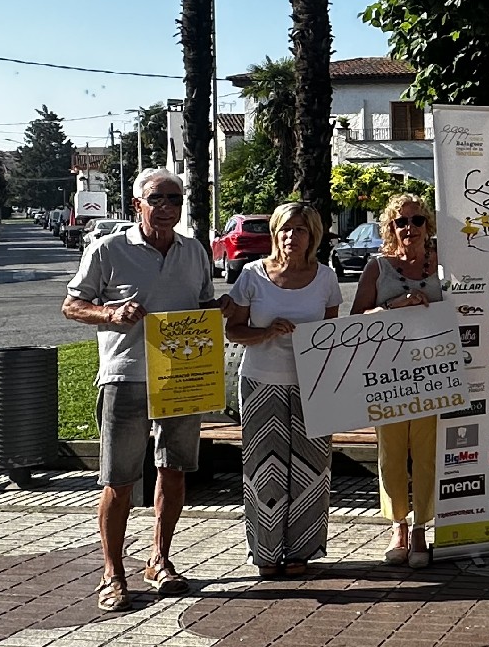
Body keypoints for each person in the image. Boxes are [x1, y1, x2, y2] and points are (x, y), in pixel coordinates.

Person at [62, 168, 216, 613]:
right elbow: (72, 305)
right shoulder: (107, 249)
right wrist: (110, 315)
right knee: (119, 479)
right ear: (138, 205)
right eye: (157, 198)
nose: (166, 206)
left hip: (183, 377)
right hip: (125, 375)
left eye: (175, 198)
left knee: (174, 471)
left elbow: (204, 304)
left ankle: (160, 559)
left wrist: (221, 310)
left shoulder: (194, 252)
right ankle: (112, 573)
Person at [222, 201, 341, 578]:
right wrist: (266, 332)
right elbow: (233, 330)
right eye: (285, 229)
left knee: (311, 468)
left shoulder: (325, 278)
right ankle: (266, 553)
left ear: (313, 236)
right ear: (275, 233)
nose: (292, 236)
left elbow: (331, 336)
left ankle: (301, 551)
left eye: (301, 229)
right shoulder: (252, 275)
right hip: (261, 381)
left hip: (312, 386)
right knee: (264, 469)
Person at [352, 191, 441, 568]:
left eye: (416, 220)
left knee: (426, 454)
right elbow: (355, 319)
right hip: (387, 375)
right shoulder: (378, 267)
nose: (409, 228)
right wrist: (392, 307)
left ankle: (422, 526)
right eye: (400, 221)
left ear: (427, 225)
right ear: (390, 227)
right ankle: (398, 525)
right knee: (390, 454)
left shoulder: (443, 265)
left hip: (434, 374)